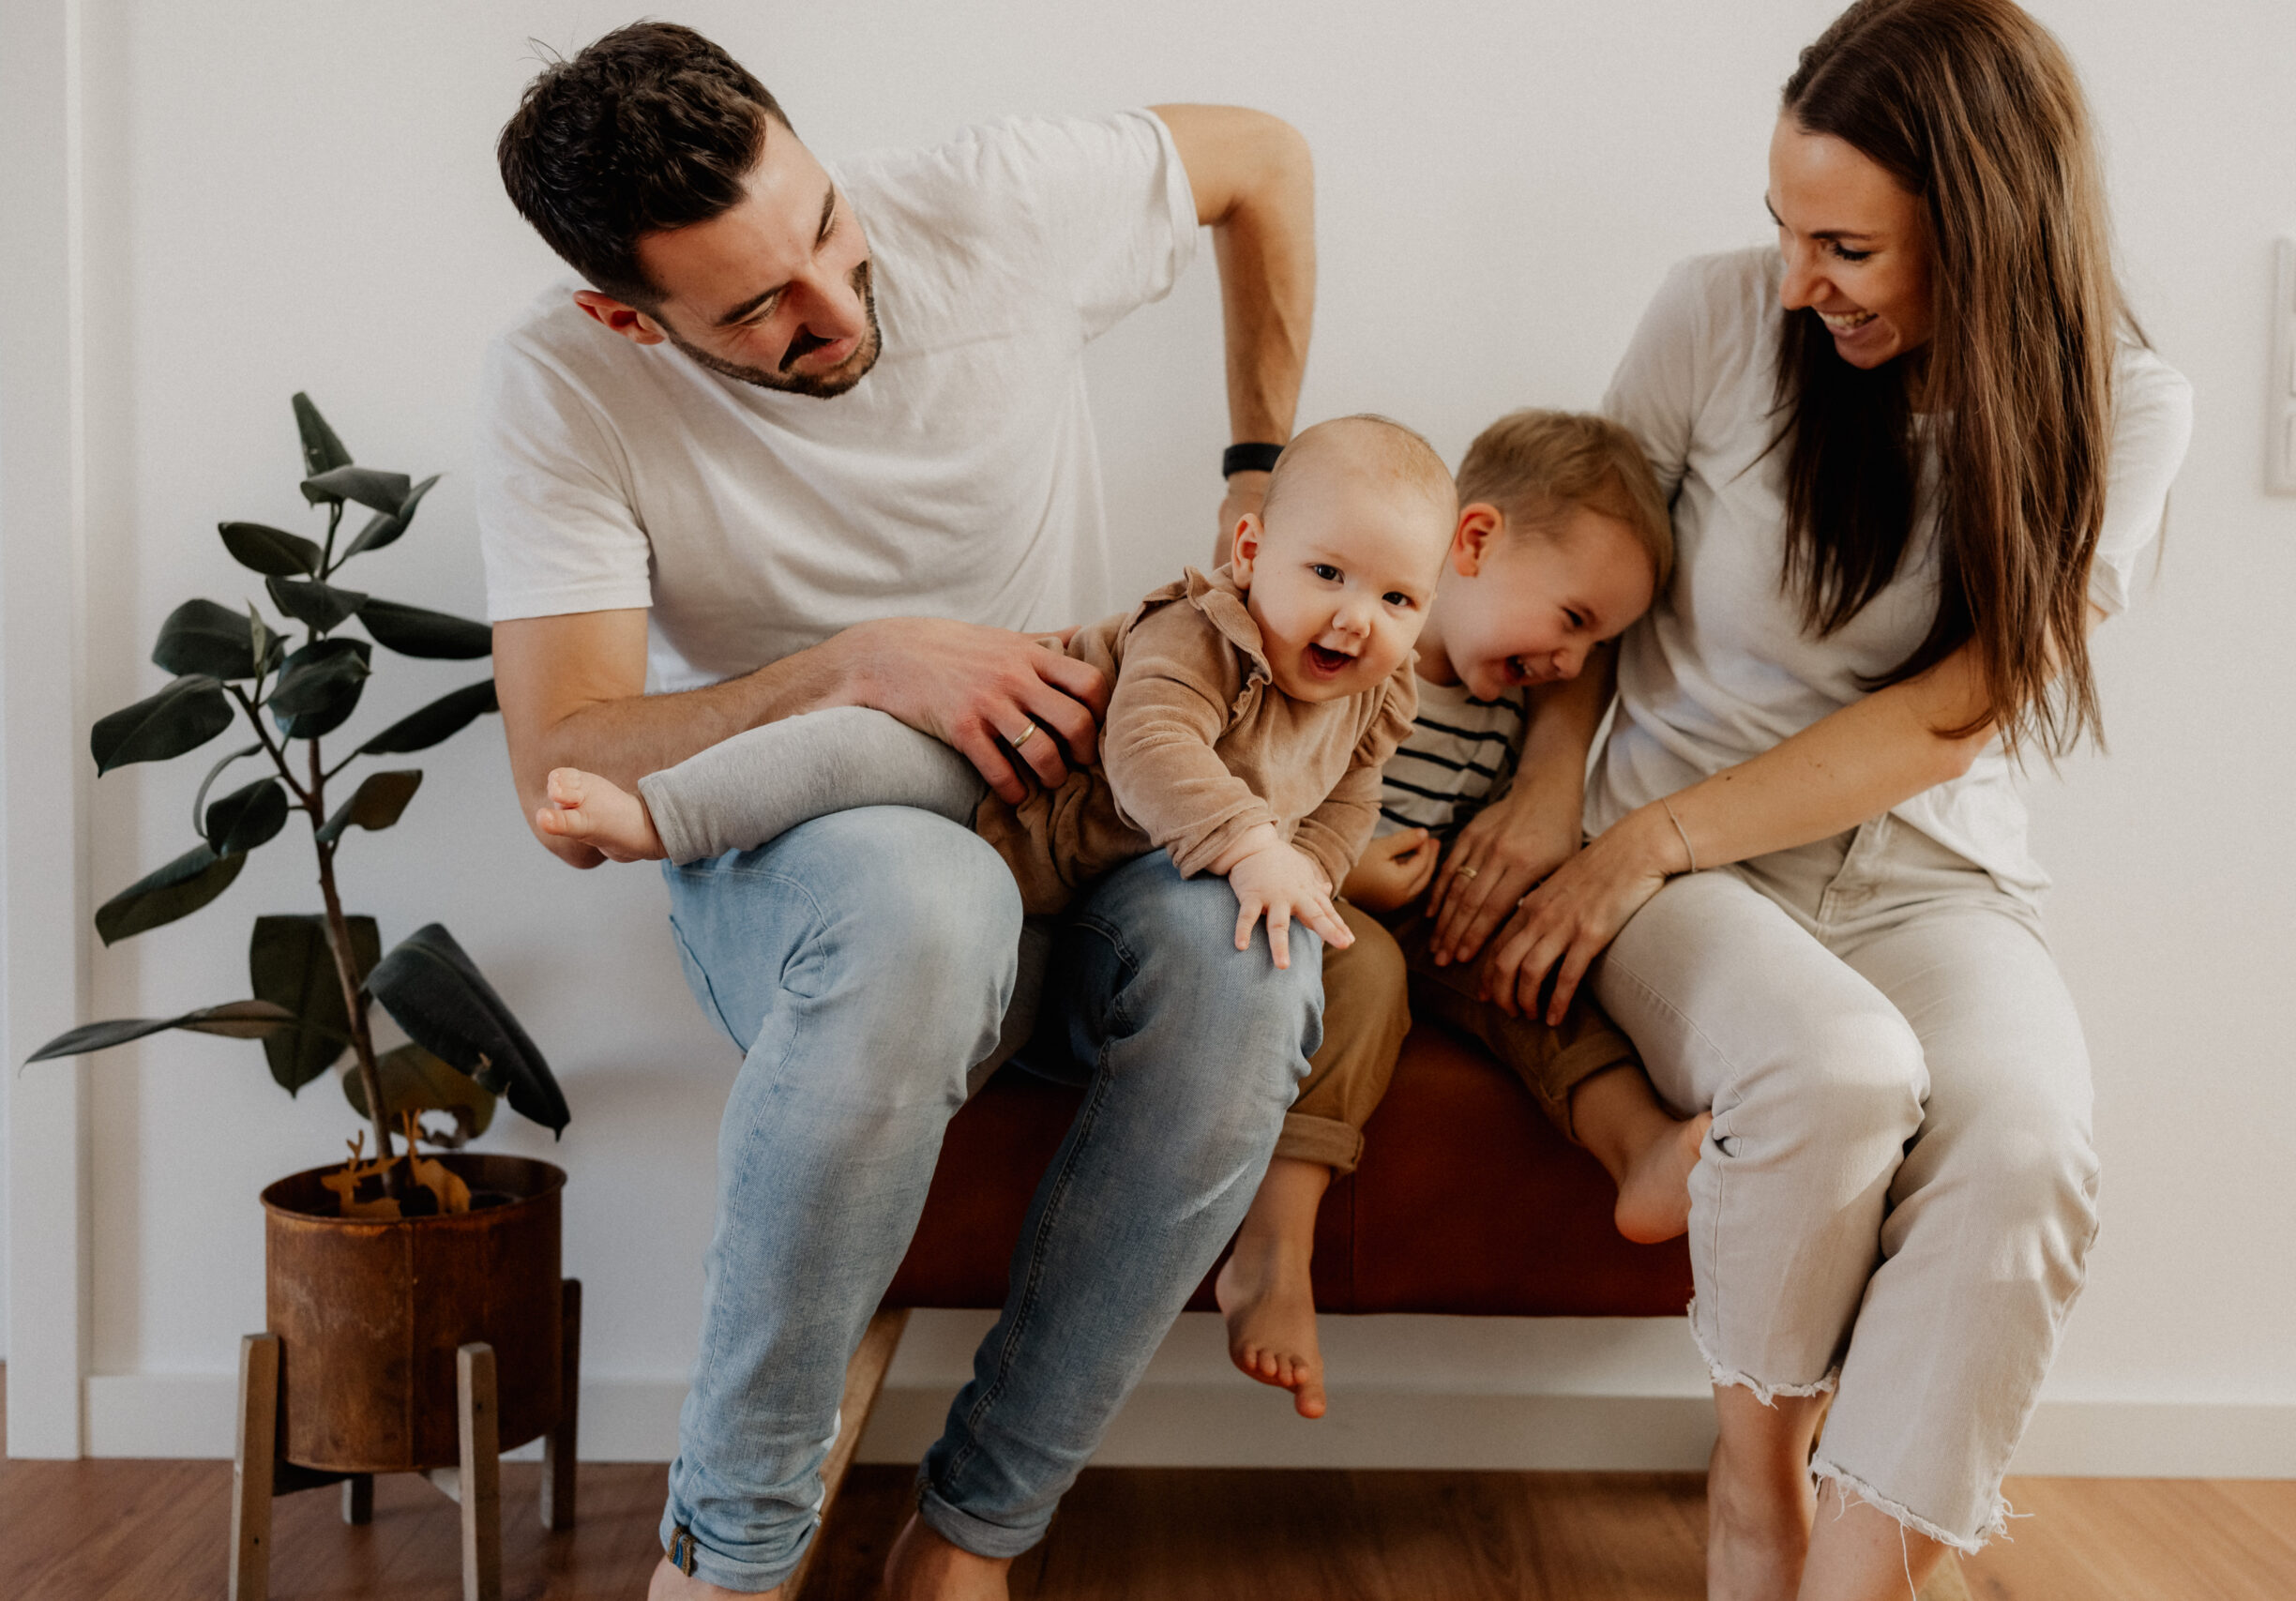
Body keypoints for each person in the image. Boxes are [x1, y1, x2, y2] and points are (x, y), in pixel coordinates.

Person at [479, 23, 1329, 1598]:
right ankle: (728, 1553)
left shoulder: (992, 204)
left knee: (1252, 957)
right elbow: (563, 767)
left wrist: (1257, 463)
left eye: (824, 226)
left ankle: (974, 1531)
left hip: (1076, 817)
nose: (835, 303)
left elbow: (1264, 161)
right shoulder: (560, 382)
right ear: (626, 315)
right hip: (815, 862)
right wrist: (855, 667)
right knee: (928, 903)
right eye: (756, 309)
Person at [1464, 3, 2195, 1595]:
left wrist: (1644, 838)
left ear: (1984, 229)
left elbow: (1954, 714)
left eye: (1847, 248)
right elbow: (1586, 569)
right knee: (1839, 1066)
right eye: (1788, 229)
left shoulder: (2125, 406)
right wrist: (1554, 798)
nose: (1801, 279)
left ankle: (1856, 1575)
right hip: (1685, 881)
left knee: (2030, 1146)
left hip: (1931, 878)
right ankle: (1756, 1481)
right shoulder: (1715, 316)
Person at [536, 415, 1453, 974]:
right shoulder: (1202, 630)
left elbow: (1346, 800)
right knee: (844, 749)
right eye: (1327, 573)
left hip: (1060, 868)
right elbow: (1150, 749)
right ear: (1250, 554)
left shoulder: (1376, 698)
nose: (1356, 619)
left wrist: (1309, 871)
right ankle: (661, 818)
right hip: (1002, 762)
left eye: (1397, 599)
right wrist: (1255, 846)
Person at [1213, 409, 1714, 1421]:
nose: (1572, 663)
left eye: (1598, 643)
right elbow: (1238, 790)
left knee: (1537, 969)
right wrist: (1340, 874)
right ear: (1474, 543)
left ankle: (1640, 1151)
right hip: (1317, 906)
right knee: (1368, 973)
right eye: (1573, 620)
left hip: (1431, 918)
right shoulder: (1343, 650)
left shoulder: (1509, 713)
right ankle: (1273, 1247)